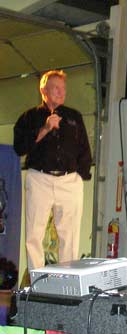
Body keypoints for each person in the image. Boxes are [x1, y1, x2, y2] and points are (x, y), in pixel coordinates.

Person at [13, 70, 92, 271]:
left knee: (70, 235)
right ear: (43, 90)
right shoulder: (29, 117)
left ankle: (68, 282)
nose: (61, 92)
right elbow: (20, 148)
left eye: (63, 88)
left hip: (69, 180)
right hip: (39, 178)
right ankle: (37, 281)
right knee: (34, 233)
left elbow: (84, 148)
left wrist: (79, 177)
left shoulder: (74, 116)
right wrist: (45, 128)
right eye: (56, 88)